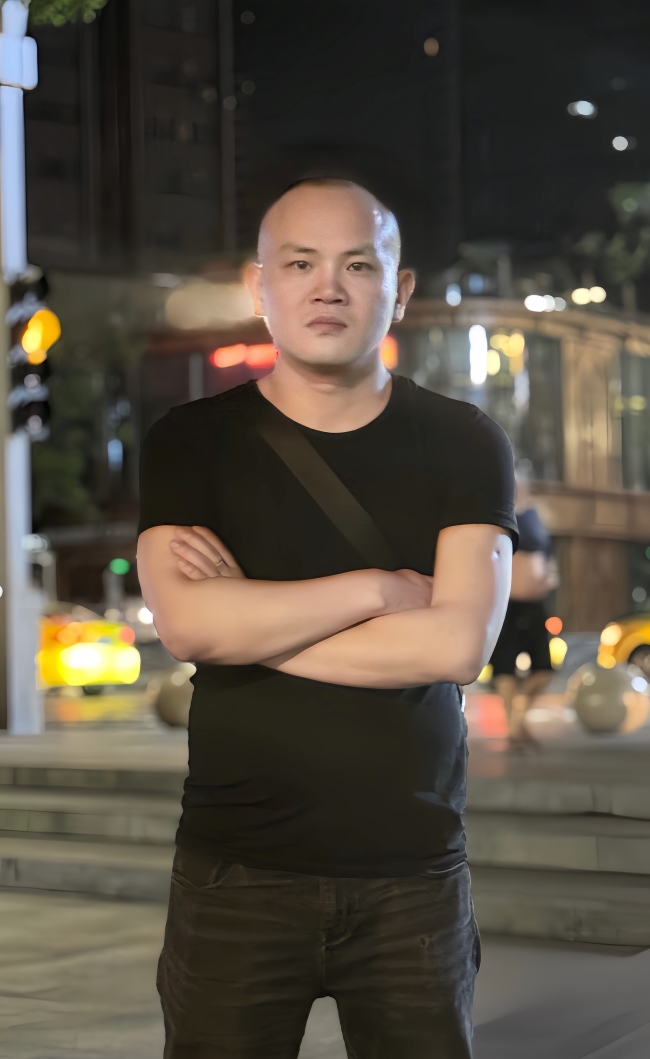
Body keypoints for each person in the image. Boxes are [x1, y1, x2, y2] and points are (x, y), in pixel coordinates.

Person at [137, 177, 517, 1059]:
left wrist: (249, 622)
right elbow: (188, 626)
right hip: (236, 872)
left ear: (400, 287)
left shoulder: (463, 440)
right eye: (300, 263)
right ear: (259, 285)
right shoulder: (192, 441)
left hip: (412, 878)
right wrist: (377, 589)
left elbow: (455, 644)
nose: (328, 288)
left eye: (358, 264)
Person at [490, 468, 558, 751]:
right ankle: (515, 728)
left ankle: (517, 720)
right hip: (508, 604)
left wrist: (550, 575)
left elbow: (547, 553)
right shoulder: (498, 512)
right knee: (504, 666)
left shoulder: (535, 514)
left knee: (544, 668)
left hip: (535, 603)